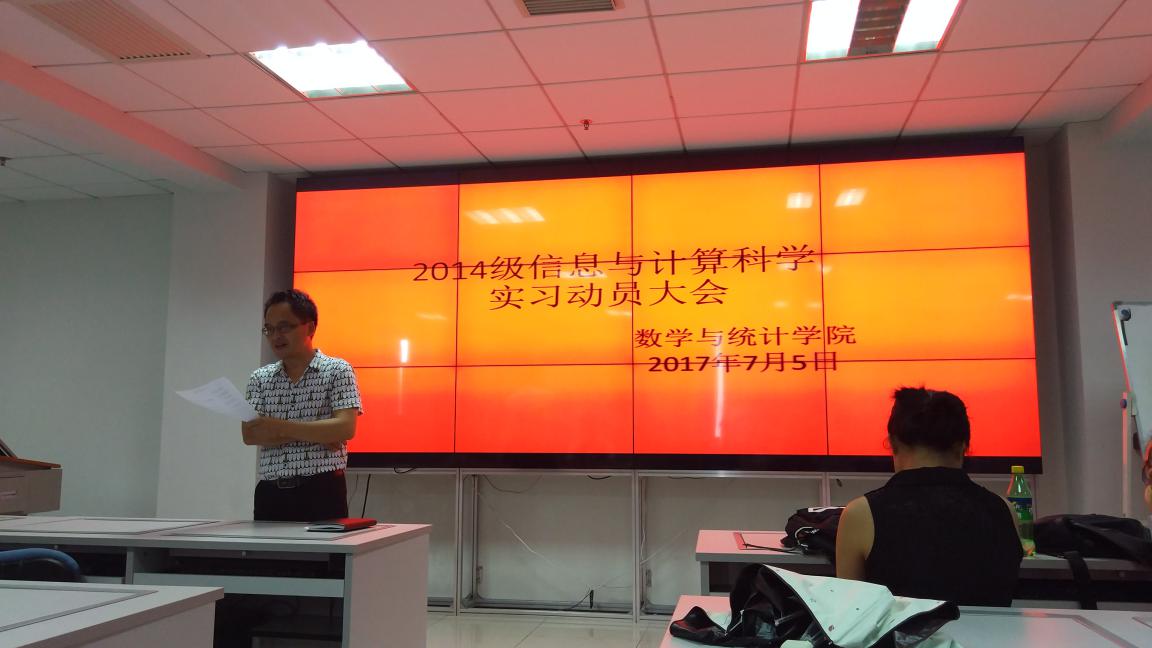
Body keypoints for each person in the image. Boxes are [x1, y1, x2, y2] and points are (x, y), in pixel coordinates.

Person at [834, 387, 1023, 606]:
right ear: (963, 446)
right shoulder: (1004, 511)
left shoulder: (861, 515)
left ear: (893, 443)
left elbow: (851, 612)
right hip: (991, 630)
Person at [242, 289, 361, 522]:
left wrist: (273, 425)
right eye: (269, 329)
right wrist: (318, 432)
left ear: (310, 328)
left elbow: (345, 428)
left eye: (284, 327)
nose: (276, 336)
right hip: (270, 491)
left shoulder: (338, 370)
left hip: (322, 489)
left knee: (323, 548)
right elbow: (250, 434)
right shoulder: (260, 378)